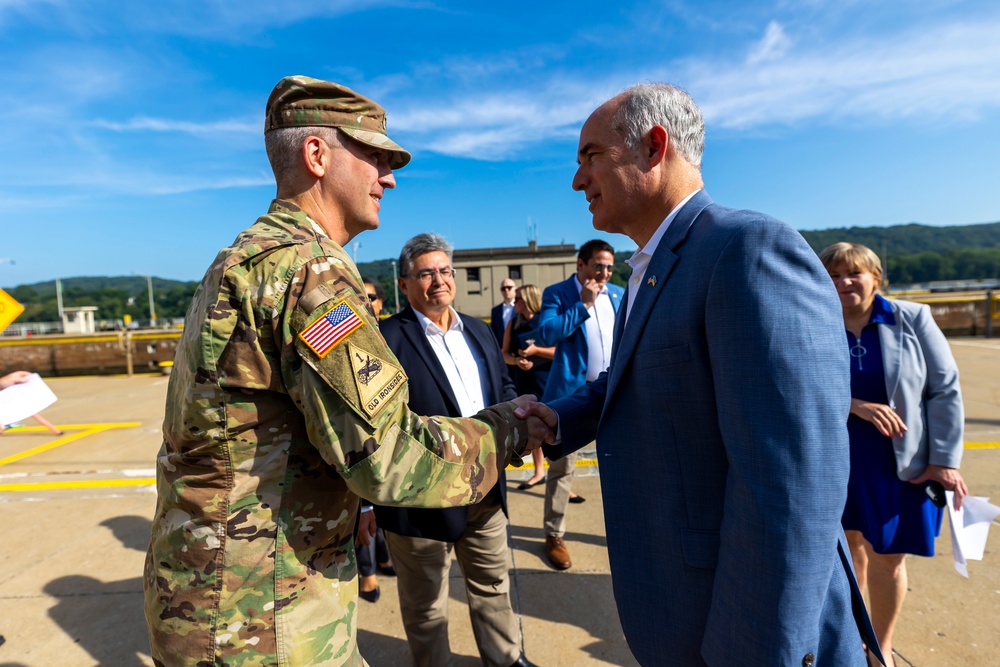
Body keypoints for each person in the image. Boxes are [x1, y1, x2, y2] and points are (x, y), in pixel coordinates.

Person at [143, 76, 552, 667]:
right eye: (375, 157)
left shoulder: (240, 258)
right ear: (316, 156)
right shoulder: (311, 274)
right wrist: (508, 429)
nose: (388, 177)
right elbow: (387, 457)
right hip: (264, 619)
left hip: (212, 597)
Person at [523, 83, 882, 666]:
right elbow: (644, 378)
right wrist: (556, 416)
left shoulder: (747, 250)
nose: (576, 180)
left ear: (654, 147)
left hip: (737, 629)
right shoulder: (654, 267)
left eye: (590, 156)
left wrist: (750, 652)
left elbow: (793, 483)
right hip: (683, 613)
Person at [374, 233, 535, 667]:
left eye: (445, 271)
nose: (439, 281)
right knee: (426, 605)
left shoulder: (479, 330)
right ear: (405, 283)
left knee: (493, 585)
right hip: (418, 498)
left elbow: (502, 389)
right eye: (426, 273)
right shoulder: (385, 338)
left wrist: (516, 419)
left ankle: (504, 659)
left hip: (484, 489)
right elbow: (376, 425)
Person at [820, 242, 968, 667]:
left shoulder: (911, 318)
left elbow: (944, 389)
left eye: (853, 273)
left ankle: (879, 647)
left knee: (887, 558)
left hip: (897, 462)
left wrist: (944, 460)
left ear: (875, 278)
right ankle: (850, 637)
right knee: (848, 554)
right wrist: (854, 405)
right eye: (832, 275)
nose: (843, 283)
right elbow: (800, 385)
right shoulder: (817, 320)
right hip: (838, 458)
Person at [533, 239, 624, 570]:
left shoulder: (617, 294)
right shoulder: (558, 293)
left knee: (624, 462)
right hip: (574, 396)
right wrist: (583, 305)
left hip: (616, 391)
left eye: (610, 267)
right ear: (580, 264)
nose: (604, 273)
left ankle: (627, 530)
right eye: (598, 265)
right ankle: (554, 533)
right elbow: (544, 335)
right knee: (562, 469)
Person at [354, 277, 394, 603]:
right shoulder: (349, 329)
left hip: (388, 431)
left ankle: (382, 557)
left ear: (380, 301)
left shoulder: (388, 333)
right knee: (362, 506)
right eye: (358, 295)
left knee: (382, 502)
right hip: (358, 434)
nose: (364, 301)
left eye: (369, 296)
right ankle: (367, 574)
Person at [502, 285, 554, 490]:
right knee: (532, 425)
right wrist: (516, 362)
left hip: (547, 380)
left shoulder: (547, 321)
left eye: (518, 299)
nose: (514, 303)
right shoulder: (513, 323)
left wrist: (536, 351)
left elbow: (560, 351)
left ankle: (558, 475)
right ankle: (539, 471)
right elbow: (503, 353)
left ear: (529, 299)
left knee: (553, 428)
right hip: (523, 382)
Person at [490, 278, 518, 345]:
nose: (506, 290)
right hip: (502, 348)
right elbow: (494, 332)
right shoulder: (495, 310)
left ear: (516, 289)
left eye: (509, 287)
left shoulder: (521, 307)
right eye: (503, 288)